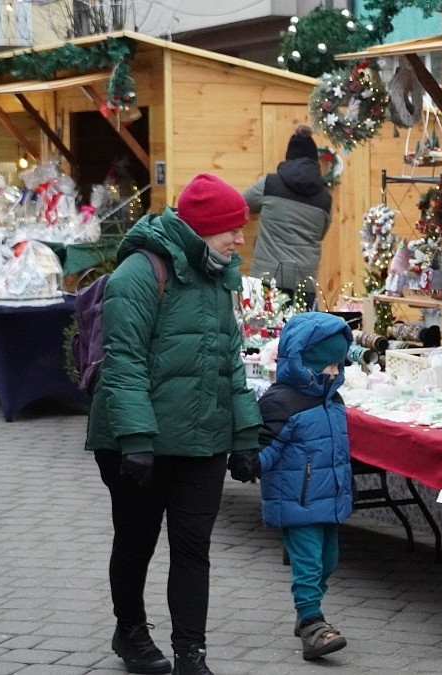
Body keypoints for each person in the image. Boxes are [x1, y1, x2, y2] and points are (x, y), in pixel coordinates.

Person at [86, 173, 262, 675]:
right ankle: (131, 631)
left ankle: (191, 653)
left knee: (192, 547)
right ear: (202, 228)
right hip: (137, 440)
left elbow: (231, 362)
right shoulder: (138, 275)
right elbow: (123, 362)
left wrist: (245, 437)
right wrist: (137, 439)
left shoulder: (218, 276)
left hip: (202, 438)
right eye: (231, 228)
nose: (239, 238)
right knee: (136, 540)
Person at [240, 311, 354, 660]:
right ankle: (312, 622)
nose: (335, 372)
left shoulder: (332, 399)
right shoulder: (282, 401)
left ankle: (307, 614)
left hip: (328, 497)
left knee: (328, 560)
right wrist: (251, 462)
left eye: (338, 365)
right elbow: (268, 445)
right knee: (308, 563)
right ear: (305, 362)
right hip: (297, 499)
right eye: (328, 365)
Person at [244, 124, 332, 309]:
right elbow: (321, 233)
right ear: (315, 160)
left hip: (267, 277)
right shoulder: (324, 198)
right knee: (302, 335)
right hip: (304, 280)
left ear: (288, 156)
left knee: (259, 334)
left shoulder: (270, 184)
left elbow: (243, 203)